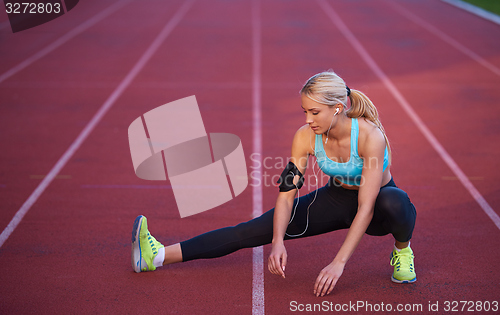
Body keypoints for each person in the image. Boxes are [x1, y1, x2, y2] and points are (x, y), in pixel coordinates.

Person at [131, 71, 417, 297]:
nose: (308, 120)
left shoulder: (370, 137)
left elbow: (365, 207)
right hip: (336, 198)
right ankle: (156, 256)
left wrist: (338, 263)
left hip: (377, 206)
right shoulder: (305, 136)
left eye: (315, 113)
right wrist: (278, 240)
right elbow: (286, 193)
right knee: (250, 230)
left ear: (338, 108)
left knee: (396, 201)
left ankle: (403, 250)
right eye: (304, 111)